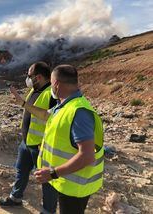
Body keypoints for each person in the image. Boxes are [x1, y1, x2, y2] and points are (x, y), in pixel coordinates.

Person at [10, 64, 104, 214]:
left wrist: (53, 173)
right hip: (66, 180)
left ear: (57, 84)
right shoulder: (64, 106)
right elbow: (45, 115)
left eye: (52, 83)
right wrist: (22, 103)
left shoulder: (79, 112)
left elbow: (87, 156)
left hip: (75, 186)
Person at [0, 62, 58, 214]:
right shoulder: (34, 90)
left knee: (46, 180)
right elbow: (28, 109)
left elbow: (49, 116)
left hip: (42, 146)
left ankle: (48, 210)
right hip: (27, 142)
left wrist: (23, 103)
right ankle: (16, 198)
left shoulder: (52, 94)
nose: (28, 79)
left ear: (38, 77)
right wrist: (21, 102)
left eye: (30, 76)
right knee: (21, 171)